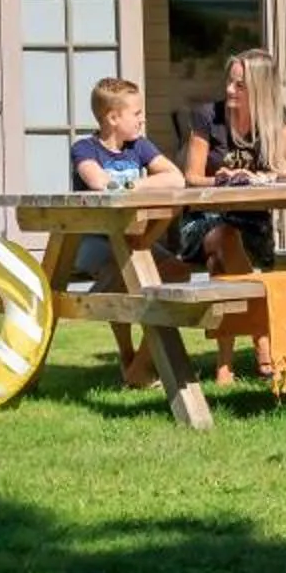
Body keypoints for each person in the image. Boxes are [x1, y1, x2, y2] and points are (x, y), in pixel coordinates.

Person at [171, 47, 286, 384]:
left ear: (260, 90)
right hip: (203, 221)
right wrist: (222, 178)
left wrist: (266, 177)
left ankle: (224, 367)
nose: (229, 90)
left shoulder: (276, 115)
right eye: (230, 83)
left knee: (222, 266)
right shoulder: (208, 116)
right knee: (225, 238)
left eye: (240, 86)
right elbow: (191, 176)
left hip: (253, 222)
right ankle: (264, 345)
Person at [69, 75, 187, 387]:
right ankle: (129, 357)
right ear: (112, 117)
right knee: (123, 279)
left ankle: (139, 365)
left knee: (177, 272)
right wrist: (136, 184)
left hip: (137, 237)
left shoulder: (139, 146)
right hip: (97, 240)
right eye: (136, 113)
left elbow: (175, 178)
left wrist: (135, 184)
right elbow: (98, 182)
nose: (142, 118)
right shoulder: (85, 148)